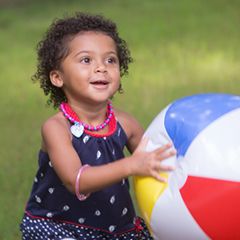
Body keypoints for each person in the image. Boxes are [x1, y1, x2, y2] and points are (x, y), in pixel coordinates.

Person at [20, 12, 176, 240]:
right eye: (86, 60)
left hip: (116, 230)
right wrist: (131, 165)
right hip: (59, 228)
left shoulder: (126, 124)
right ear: (57, 77)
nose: (101, 67)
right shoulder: (56, 128)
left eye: (110, 60)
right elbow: (76, 181)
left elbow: (159, 162)